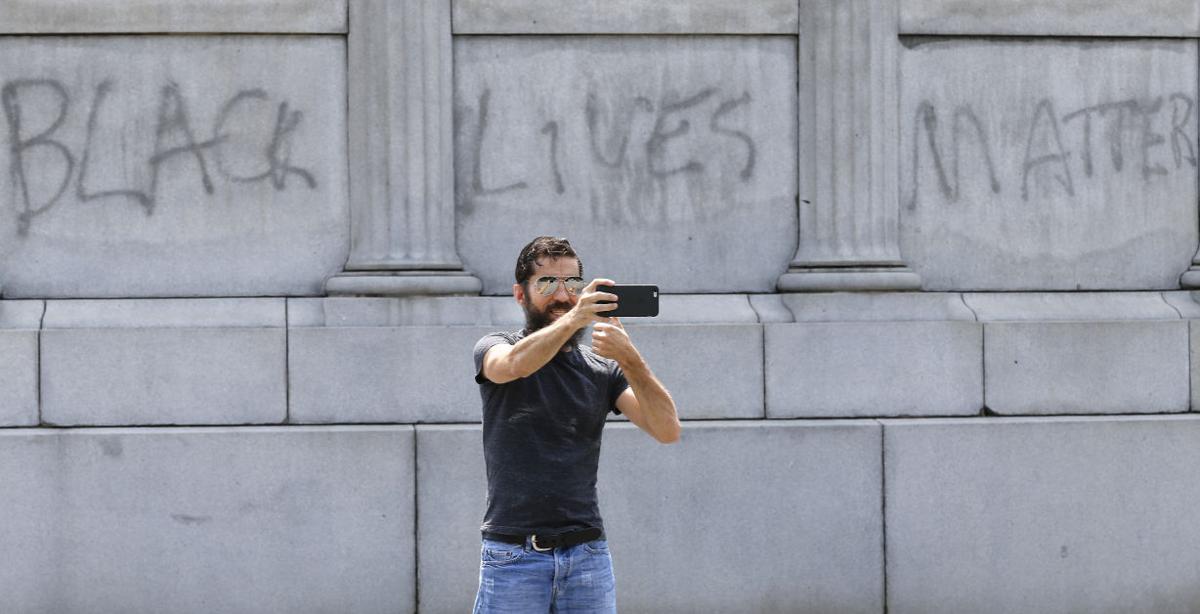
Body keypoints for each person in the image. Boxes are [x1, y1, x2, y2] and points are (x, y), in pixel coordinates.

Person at [471, 236, 680, 613]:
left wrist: (629, 357)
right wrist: (577, 318)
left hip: (587, 555)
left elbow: (667, 429)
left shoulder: (602, 369)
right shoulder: (496, 344)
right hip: (514, 555)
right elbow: (512, 366)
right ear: (521, 295)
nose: (564, 294)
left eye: (572, 283)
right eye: (547, 283)